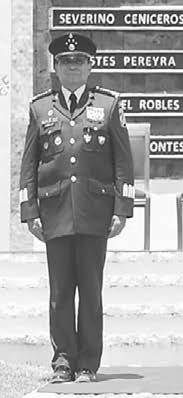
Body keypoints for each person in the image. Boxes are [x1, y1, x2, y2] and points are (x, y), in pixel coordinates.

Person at [19, 32, 134, 384]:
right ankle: (63, 362)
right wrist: (30, 211)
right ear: (55, 67)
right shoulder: (40, 108)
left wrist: (121, 208)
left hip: (94, 211)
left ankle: (87, 364)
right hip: (54, 212)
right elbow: (29, 164)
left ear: (90, 66)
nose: (72, 67)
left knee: (91, 291)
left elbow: (123, 162)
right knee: (60, 293)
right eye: (66, 62)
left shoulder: (109, 105)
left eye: (79, 61)